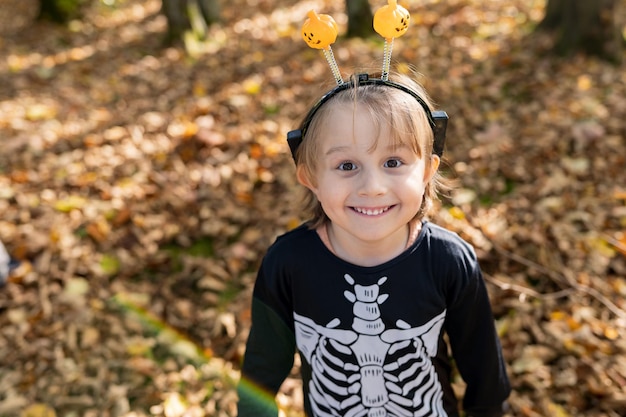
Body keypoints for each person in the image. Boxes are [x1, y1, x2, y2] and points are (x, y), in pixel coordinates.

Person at [237, 71, 511, 417]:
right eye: (347, 165)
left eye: (393, 162)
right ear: (310, 178)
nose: (373, 187)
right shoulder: (288, 265)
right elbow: (259, 378)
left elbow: (486, 380)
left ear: (427, 170)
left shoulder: (449, 261)